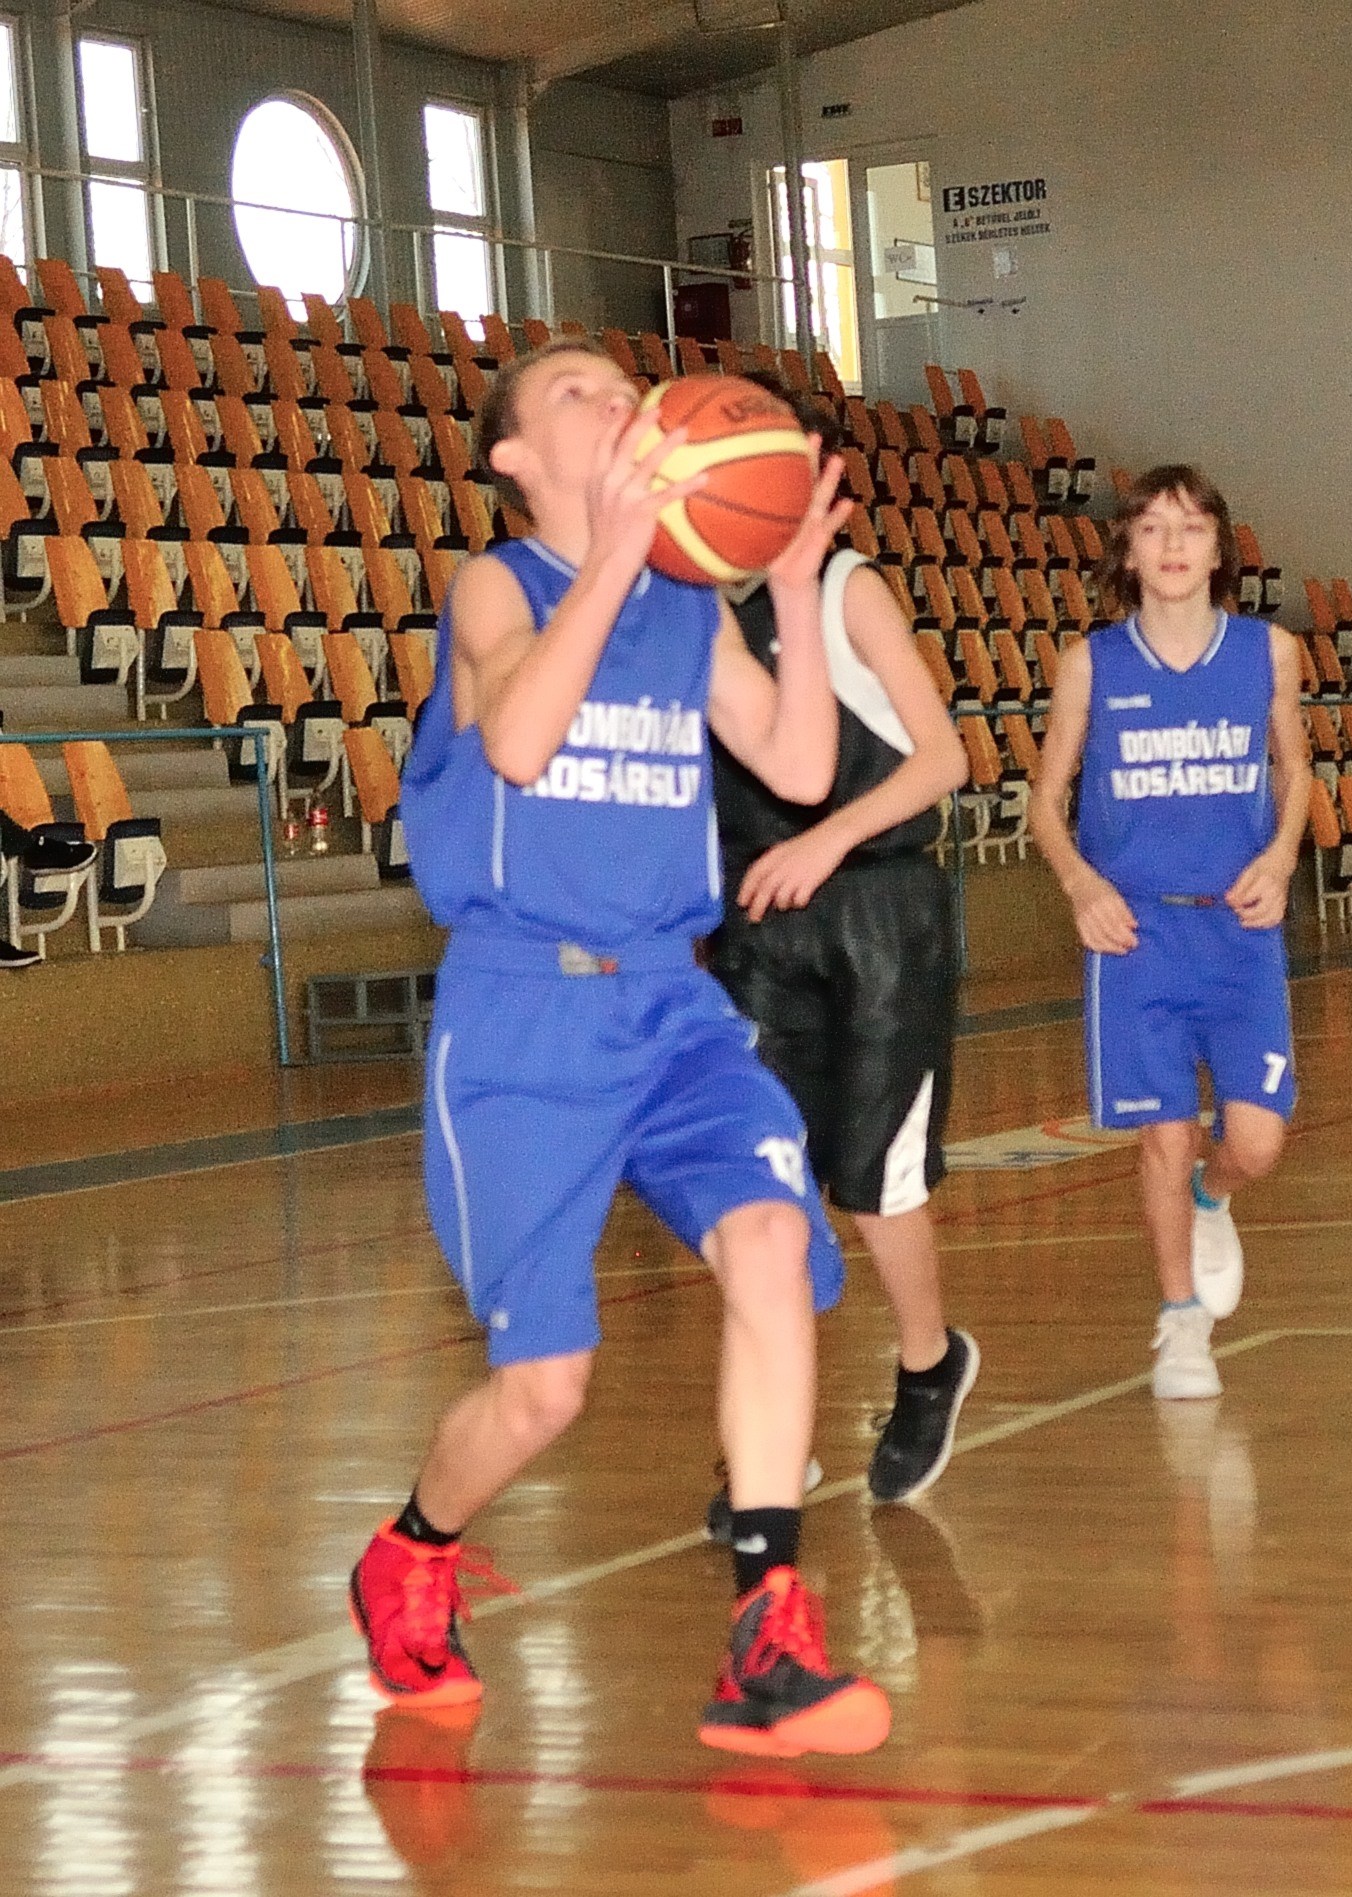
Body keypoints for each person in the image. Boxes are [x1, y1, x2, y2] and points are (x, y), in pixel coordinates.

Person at [349, 339, 890, 1757]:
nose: (616, 403)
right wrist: (613, 555)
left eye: (620, 386)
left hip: (670, 1002)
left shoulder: (684, 606)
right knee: (546, 1390)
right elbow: (520, 743)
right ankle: (410, 1552)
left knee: (769, 1239)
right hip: (524, 1016)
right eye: (575, 393)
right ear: (517, 458)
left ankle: (767, 1628)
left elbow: (798, 767)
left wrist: (790, 595)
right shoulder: (499, 586)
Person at [703, 372, 977, 1529]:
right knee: (755, 1188)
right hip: (755, 922)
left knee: (873, 1180)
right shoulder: (692, 602)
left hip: (877, 909)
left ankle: (928, 1361)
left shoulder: (847, 589)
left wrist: (825, 838)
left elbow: (944, 759)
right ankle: (770, 1446)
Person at [1027, 464, 1311, 1401]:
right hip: (1137, 936)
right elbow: (1044, 800)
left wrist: (1280, 857)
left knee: (1256, 1142)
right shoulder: (1091, 663)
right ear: (1129, 550)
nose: (1174, 544)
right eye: (1152, 528)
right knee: (1163, 1133)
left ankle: (1212, 1195)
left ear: (1219, 547)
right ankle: (1182, 1320)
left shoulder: (1268, 652)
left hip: (1238, 929)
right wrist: (1080, 884)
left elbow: (1296, 770)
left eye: (1191, 527)